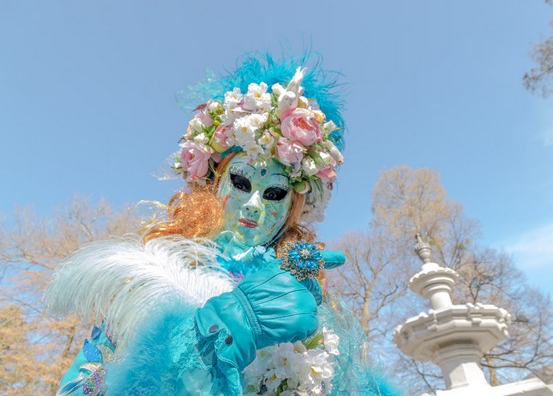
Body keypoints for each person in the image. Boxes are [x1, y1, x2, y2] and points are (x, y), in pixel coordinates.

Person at [45, 54, 398, 396]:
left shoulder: (304, 296)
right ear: (214, 185)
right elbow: (78, 390)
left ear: (293, 210)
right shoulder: (151, 285)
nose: (255, 205)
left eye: (274, 193)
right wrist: (201, 345)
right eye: (242, 183)